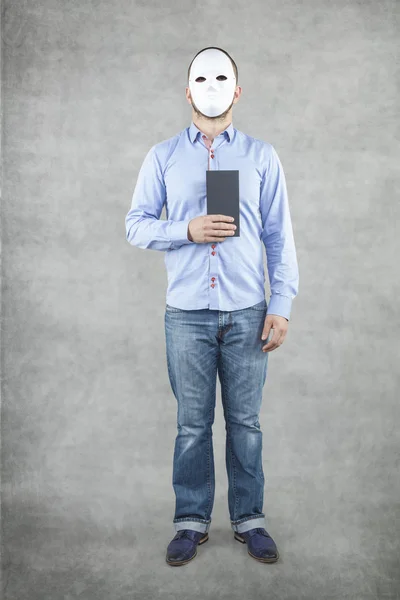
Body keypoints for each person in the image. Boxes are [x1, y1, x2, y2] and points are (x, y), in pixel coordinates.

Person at [125, 46, 299, 566]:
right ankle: (190, 521)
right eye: (201, 77)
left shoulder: (262, 156)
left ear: (238, 91)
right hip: (186, 314)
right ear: (188, 91)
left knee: (246, 423)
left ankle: (250, 519)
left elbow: (279, 237)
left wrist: (282, 304)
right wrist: (187, 230)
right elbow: (135, 224)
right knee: (192, 425)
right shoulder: (162, 156)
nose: (212, 85)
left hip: (248, 309)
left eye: (222, 77)